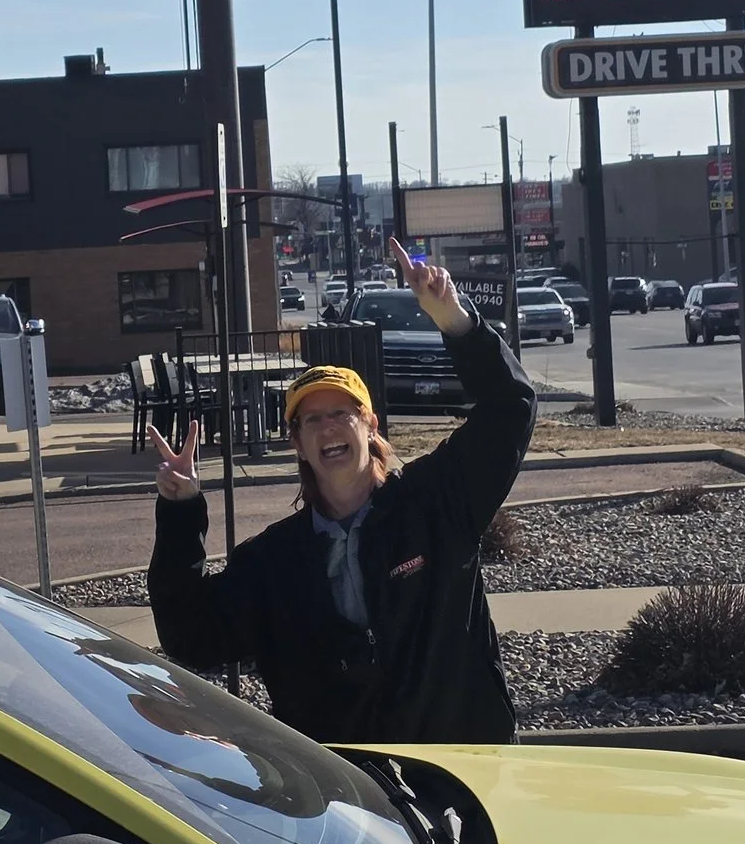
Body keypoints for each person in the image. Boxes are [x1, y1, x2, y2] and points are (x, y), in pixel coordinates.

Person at [148, 236, 536, 744]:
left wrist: (456, 321)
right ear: (298, 444)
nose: (328, 427)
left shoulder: (437, 501)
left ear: (370, 425)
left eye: (341, 413)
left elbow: (510, 408)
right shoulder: (273, 562)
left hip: (461, 766)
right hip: (340, 783)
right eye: (311, 420)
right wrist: (180, 512)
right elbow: (190, 635)